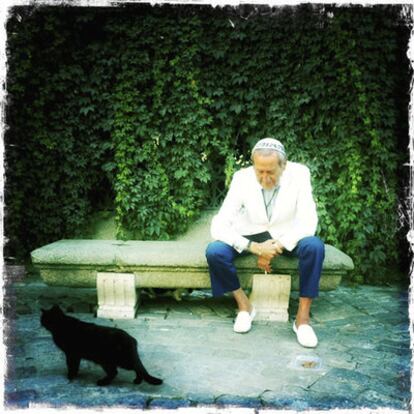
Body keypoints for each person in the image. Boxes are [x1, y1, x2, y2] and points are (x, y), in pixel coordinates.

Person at [205, 137, 325, 348]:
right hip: (251, 234)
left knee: (315, 247)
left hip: (287, 235)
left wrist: (276, 247)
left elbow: (308, 221)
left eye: (270, 172)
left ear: (284, 165)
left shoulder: (300, 174)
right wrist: (255, 248)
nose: (264, 177)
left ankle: (302, 320)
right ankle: (244, 306)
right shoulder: (241, 178)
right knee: (214, 251)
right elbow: (219, 224)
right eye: (259, 171)